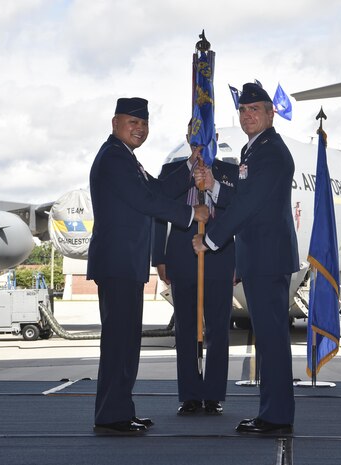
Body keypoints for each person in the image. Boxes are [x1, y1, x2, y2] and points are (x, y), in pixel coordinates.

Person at [87, 97, 209, 435]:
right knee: (118, 342)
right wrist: (190, 214)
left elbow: (158, 188)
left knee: (126, 341)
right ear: (115, 123)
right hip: (117, 262)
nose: (139, 129)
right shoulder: (113, 157)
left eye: (144, 124)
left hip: (125, 262)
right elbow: (146, 201)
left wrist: (189, 165)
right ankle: (112, 415)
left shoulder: (127, 159)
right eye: (132, 122)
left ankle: (119, 410)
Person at [192, 82, 299, 435]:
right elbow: (244, 194)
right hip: (260, 256)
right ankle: (273, 412)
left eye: (255, 110)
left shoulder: (270, 151)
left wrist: (210, 240)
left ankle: (276, 416)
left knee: (271, 341)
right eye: (243, 110)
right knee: (268, 340)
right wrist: (214, 186)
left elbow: (249, 205)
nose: (247, 115)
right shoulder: (253, 150)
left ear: (272, 114)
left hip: (267, 257)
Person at [152, 123, 238, 416]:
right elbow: (158, 213)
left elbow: (238, 212)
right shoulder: (172, 171)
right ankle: (189, 394)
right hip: (181, 255)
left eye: (206, 136)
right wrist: (159, 258)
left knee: (218, 329)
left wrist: (210, 183)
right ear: (188, 138)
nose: (200, 141)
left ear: (216, 138)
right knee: (186, 328)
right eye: (195, 135)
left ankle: (213, 394)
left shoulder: (230, 172)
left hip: (220, 256)